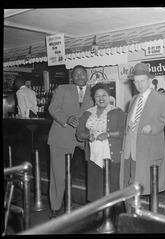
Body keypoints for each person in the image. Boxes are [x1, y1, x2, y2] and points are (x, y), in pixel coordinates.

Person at [120, 63, 165, 211]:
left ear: (149, 80)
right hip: (130, 151)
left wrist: (154, 126)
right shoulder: (133, 99)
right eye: (136, 81)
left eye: (142, 81)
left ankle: (148, 219)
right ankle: (130, 218)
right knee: (129, 186)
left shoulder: (162, 98)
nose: (139, 84)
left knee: (147, 187)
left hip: (148, 152)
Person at [47, 65, 94, 219]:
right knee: (58, 174)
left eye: (83, 74)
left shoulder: (94, 92)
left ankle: (94, 205)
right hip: (62, 135)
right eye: (76, 75)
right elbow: (53, 108)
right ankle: (55, 207)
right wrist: (66, 119)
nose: (80, 77)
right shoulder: (62, 89)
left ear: (87, 76)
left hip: (86, 136)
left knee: (95, 170)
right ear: (71, 78)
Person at [76, 83, 126, 217]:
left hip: (112, 156)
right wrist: (87, 136)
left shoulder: (117, 112)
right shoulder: (88, 113)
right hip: (93, 155)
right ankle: (100, 216)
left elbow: (124, 131)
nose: (101, 98)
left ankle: (116, 217)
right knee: (96, 187)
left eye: (104, 95)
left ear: (109, 96)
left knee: (114, 187)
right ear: (93, 98)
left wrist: (108, 135)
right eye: (97, 96)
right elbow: (79, 132)